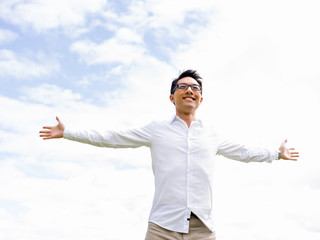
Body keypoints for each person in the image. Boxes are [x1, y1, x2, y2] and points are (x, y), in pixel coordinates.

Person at [39, 70, 299, 240]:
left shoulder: (211, 134)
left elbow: (244, 151)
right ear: (172, 96)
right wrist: (68, 132)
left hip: (202, 227)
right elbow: (112, 138)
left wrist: (275, 154)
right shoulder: (156, 130)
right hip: (162, 226)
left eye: (195, 88)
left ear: (200, 99)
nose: (189, 90)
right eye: (183, 86)